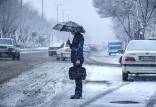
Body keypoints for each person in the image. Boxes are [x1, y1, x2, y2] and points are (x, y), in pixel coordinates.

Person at [67, 31, 84, 99]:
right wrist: (70, 44)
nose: (72, 32)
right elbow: (74, 48)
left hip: (77, 60)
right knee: (77, 77)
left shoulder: (80, 37)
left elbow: (79, 49)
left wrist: (78, 59)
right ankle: (78, 94)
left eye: (73, 31)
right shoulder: (76, 37)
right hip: (75, 59)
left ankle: (78, 94)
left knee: (78, 77)